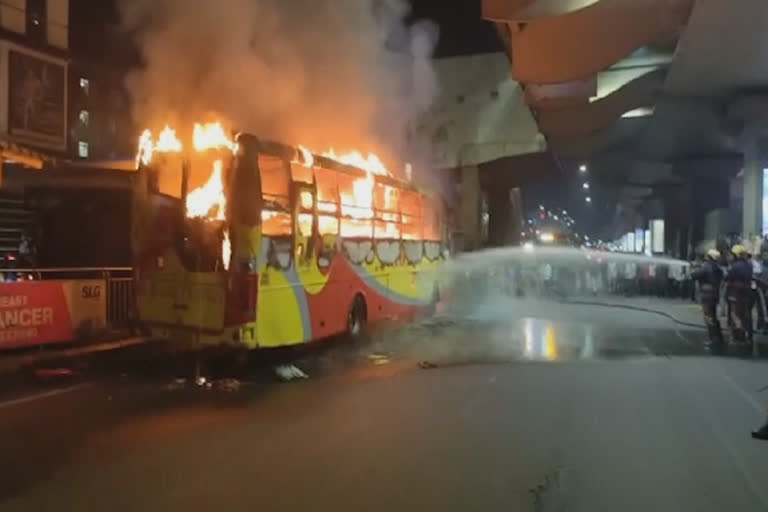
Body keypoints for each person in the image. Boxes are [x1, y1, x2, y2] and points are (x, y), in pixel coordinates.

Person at [692, 249, 724, 348]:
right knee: (714, 316)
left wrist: (694, 270)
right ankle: (719, 337)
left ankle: (713, 338)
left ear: (709, 257)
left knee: (708, 317)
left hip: (706, 294)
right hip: (715, 294)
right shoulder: (718, 268)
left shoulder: (706, 267)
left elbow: (695, 275)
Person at [726, 244, 753, 343]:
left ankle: (738, 336)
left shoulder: (734, 266)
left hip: (734, 293)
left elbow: (728, 278)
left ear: (736, 255)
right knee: (743, 315)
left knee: (735, 315)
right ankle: (744, 336)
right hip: (746, 293)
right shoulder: (749, 265)